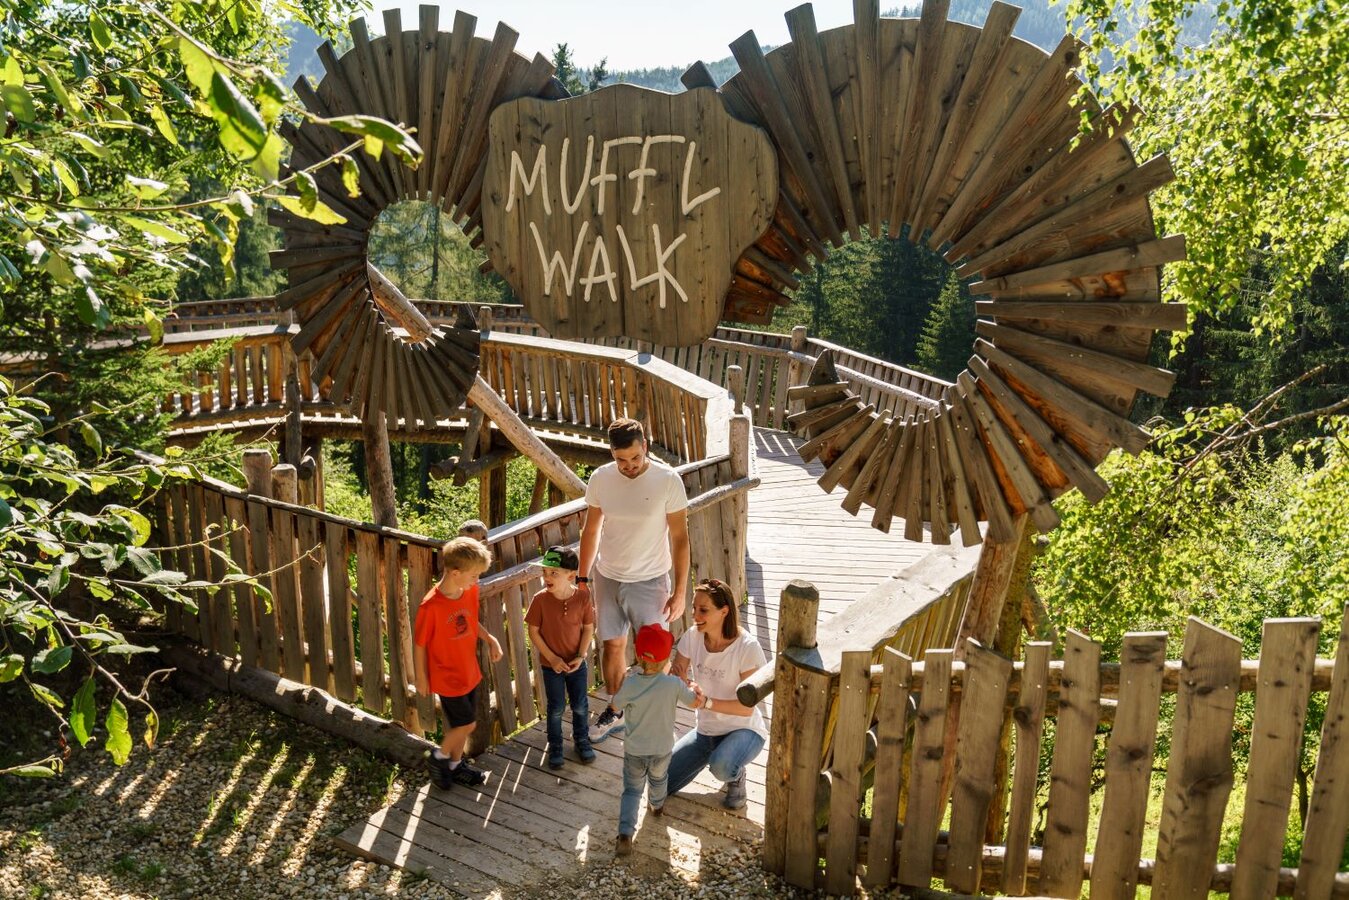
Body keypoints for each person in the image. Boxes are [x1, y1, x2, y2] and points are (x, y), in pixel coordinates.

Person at [578, 418, 690, 744]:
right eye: (621, 460)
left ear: (645, 446)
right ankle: (617, 712)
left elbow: (680, 538)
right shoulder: (601, 478)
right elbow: (591, 530)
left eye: (635, 458)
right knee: (612, 645)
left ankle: (655, 715)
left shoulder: (667, 480)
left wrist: (680, 591)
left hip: (651, 579)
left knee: (655, 654)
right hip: (608, 576)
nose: (628, 466)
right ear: (612, 454)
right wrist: (583, 579)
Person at [667, 578, 767, 810]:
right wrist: (684, 684)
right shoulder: (692, 636)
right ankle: (715, 755)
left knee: (721, 766)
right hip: (706, 731)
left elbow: (746, 708)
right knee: (661, 783)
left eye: (703, 610)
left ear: (724, 611)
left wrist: (707, 703)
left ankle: (735, 774)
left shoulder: (748, 647)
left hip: (745, 730)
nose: (695, 615)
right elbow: (677, 676)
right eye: (694, 608)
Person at [413, 536, 502, 789]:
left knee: (461, 724)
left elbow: (471, 620)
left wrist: (490, 639)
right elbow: (419, 644)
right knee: (467, 724)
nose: (477, 581)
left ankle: (454, 765)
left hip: (468, 670)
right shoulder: (430, 606)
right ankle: (438, 757)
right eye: (474, 575)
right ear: (455, 573)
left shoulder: (469, 590)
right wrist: (421, 677)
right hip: (446, 675)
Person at [610, 624, 703, 857]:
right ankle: (657, 806)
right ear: (666, 659)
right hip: (662, 749)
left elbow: (615, 706)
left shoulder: (631, 683)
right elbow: (694, 702)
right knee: (659, 779)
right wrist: (688, 682)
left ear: (638, 654)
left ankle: (625, 834)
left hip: (635, 750)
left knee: (632, 791)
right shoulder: (673, 684)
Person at [524, 545, 598, 769]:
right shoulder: (540, 600)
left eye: (553, 573)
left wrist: (581, 655)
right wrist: (552, 658)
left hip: (577, 664)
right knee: (556, 708)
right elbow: (533, 631)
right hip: (551, 666)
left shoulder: (582, 598)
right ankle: (555, 746)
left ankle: (581, 740)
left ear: (571, 576)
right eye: (545, 572)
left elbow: (588, 627)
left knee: (580, 705)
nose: (547, 577)